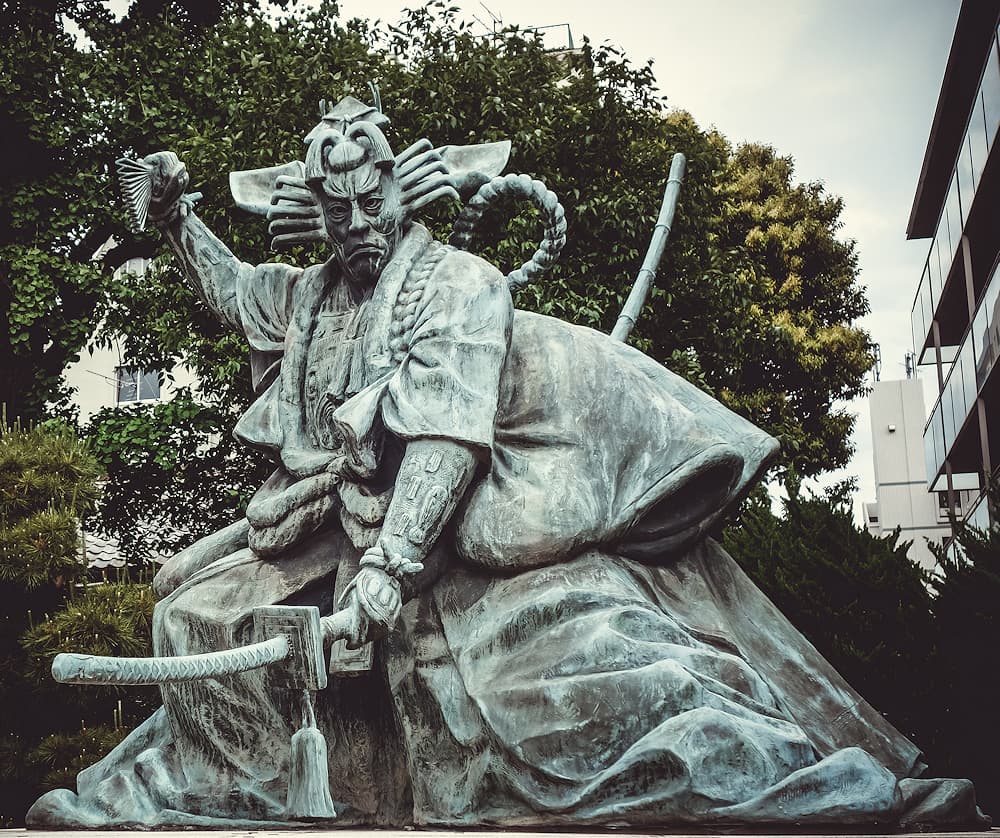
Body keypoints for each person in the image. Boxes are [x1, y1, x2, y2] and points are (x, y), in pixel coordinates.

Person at [28, 97, 987, 829]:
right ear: (316, 210)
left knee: (587, 685)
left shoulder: (458, 284)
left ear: (398, 188)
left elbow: (446, 437)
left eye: (370, 200)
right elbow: (238, 293)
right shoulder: (309, 296)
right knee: (187, 607)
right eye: (337, 207)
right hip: (326, 531)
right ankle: (234, 789)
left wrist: (386, 577)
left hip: (461, 541)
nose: (357, 221)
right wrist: (175, 218)